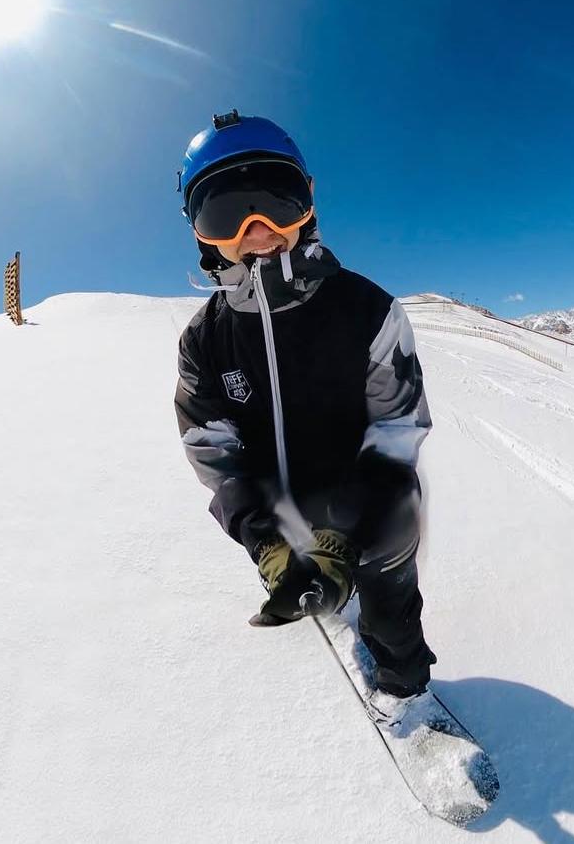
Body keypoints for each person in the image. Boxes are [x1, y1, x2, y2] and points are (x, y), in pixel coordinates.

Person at [172, 109, 437, 712]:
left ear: (308, 202)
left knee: (390, 600)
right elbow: (212, 447)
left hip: (374, 510)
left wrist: (346, 535)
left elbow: (397, 428)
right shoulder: (204, 341)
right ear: (200, 231)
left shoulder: (366, 311)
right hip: (281, 518)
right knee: (311, 585)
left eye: (276, 201)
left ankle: (404, 683)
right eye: (227, 214)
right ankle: (322, 587)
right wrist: (264, 540)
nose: (258, 230)